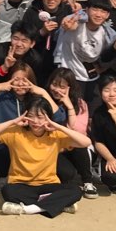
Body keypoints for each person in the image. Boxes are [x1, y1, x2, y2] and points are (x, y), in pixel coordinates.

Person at [0, 96, 89, 217]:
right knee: (7, 191)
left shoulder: (55, 134)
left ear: (48, 117)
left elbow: (86, 142)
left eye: (40, 117)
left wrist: (59, 126)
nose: (35, 121)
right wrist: (13, 121)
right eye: (31, 116)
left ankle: (29, 209)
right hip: (21, 184)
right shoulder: (15, 131)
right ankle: (58, 204)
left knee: (76, 191)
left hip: (49, 184)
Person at [0, 61, 63, 179]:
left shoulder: (36, 99)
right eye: (16, 79)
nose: (20, 84)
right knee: (2, 153)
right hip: (6, 145)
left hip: (32, 146)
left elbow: (59, 118)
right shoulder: (2, 98)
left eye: (25, 80)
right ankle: (2, 175)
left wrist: (43, 93)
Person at [54, 0, 116, 102]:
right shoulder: (76, 22)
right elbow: (69, 23)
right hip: (69, 77)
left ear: (108, 15)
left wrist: (102, 67)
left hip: (92, 78)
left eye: (103, 11)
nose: (98, 14)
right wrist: (68, 25)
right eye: (95, 9)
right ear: (87, 10)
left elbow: (110, 54)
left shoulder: (107, 34)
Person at [47, 68, 95, 197]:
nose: (57, 89)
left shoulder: (80, 104)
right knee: (67, 174)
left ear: (70, 88)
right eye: (54, 84)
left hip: (72, 146)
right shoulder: (44, 102)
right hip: (54, 148)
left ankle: (87, 181)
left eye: (62, 87)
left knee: (80, 146)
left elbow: (78, 131)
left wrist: (69, 107)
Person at [21, 0, 74, 85]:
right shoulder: (31, 12)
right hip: (37, 64)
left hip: (62, 63)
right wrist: (42, 32)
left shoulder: (68, 10)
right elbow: (24, 38)